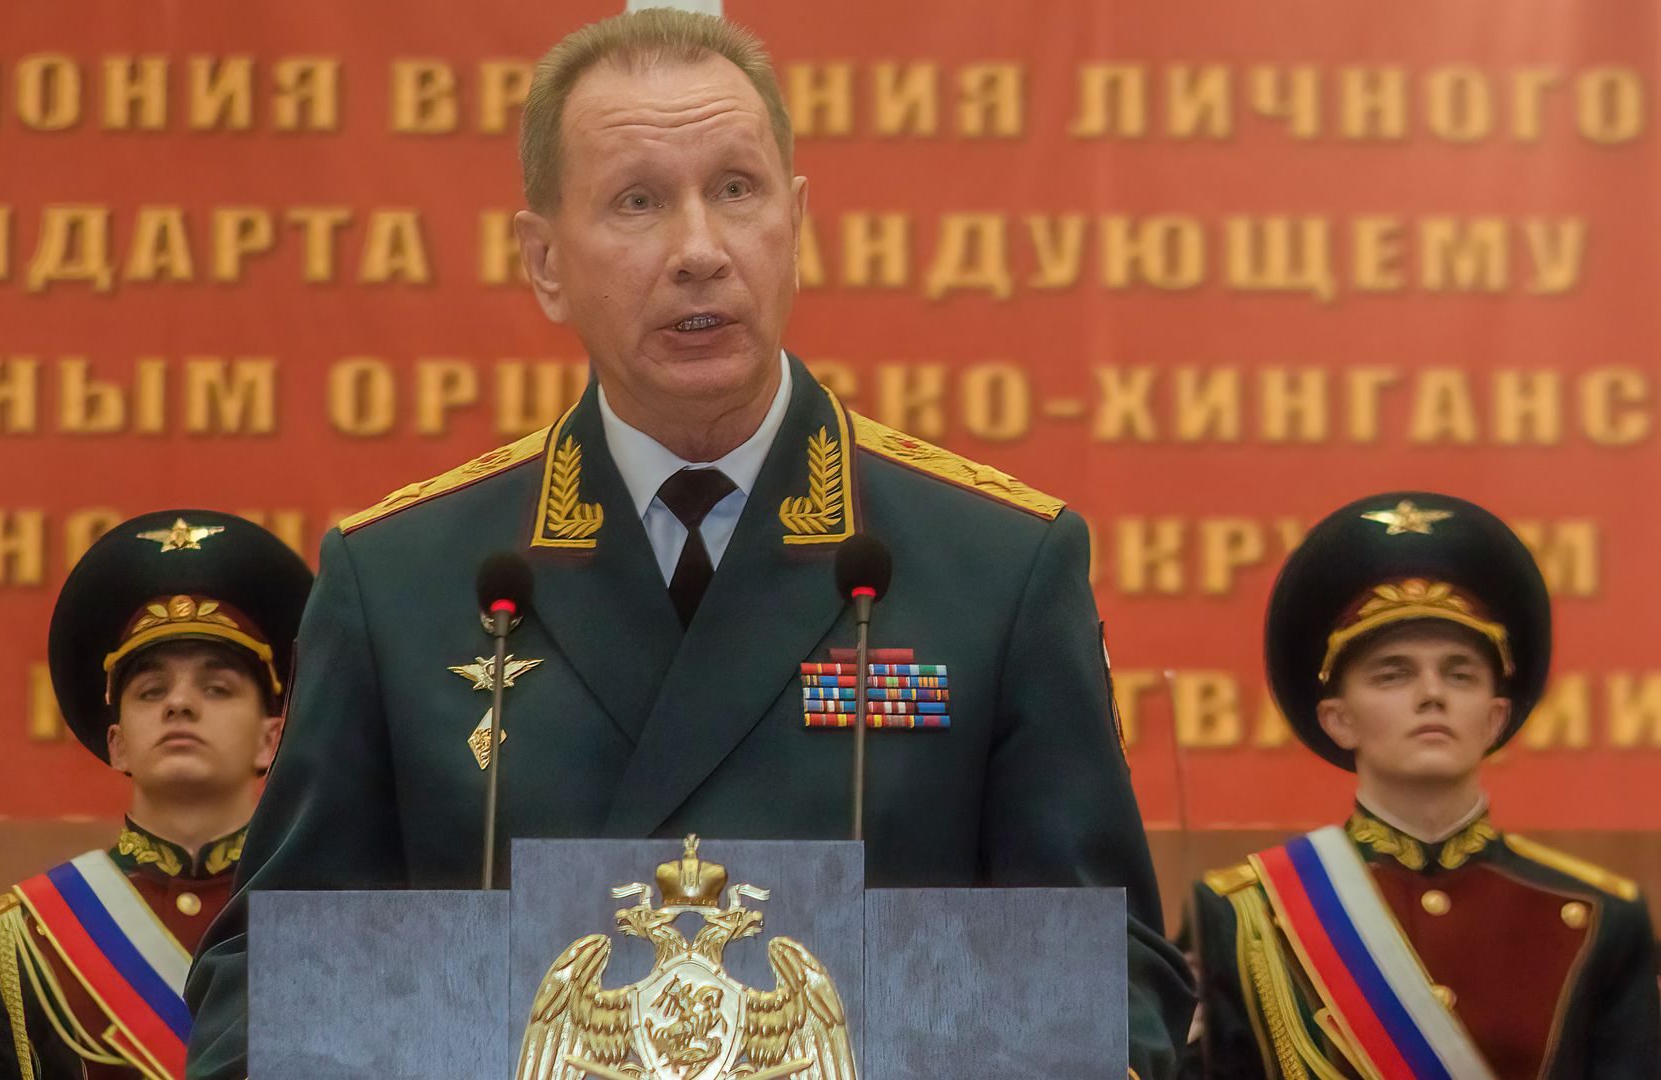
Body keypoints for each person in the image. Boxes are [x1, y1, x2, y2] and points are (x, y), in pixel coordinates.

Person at [186, 11, 1191, 1078]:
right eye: (638, 201)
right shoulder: (398, 582)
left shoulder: (997, 566)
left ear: (796, 224)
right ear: (545, 263)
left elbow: (1111, 978)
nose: (700, 251)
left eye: (737, 190)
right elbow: (266, 986)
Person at [1181, 492, 1659, 1078]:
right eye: (1394, 674)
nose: (1432, 694)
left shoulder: (1601, 917)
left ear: (1495, 717)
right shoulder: (1243, 915)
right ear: (1338, 719)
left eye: (1460, 674)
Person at [0, 510, 311, 1080]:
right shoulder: (24, 935)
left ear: (272, 739)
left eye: (217, 688)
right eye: (151, 691)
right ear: (117, 744)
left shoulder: (330, 921)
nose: (180, 704)